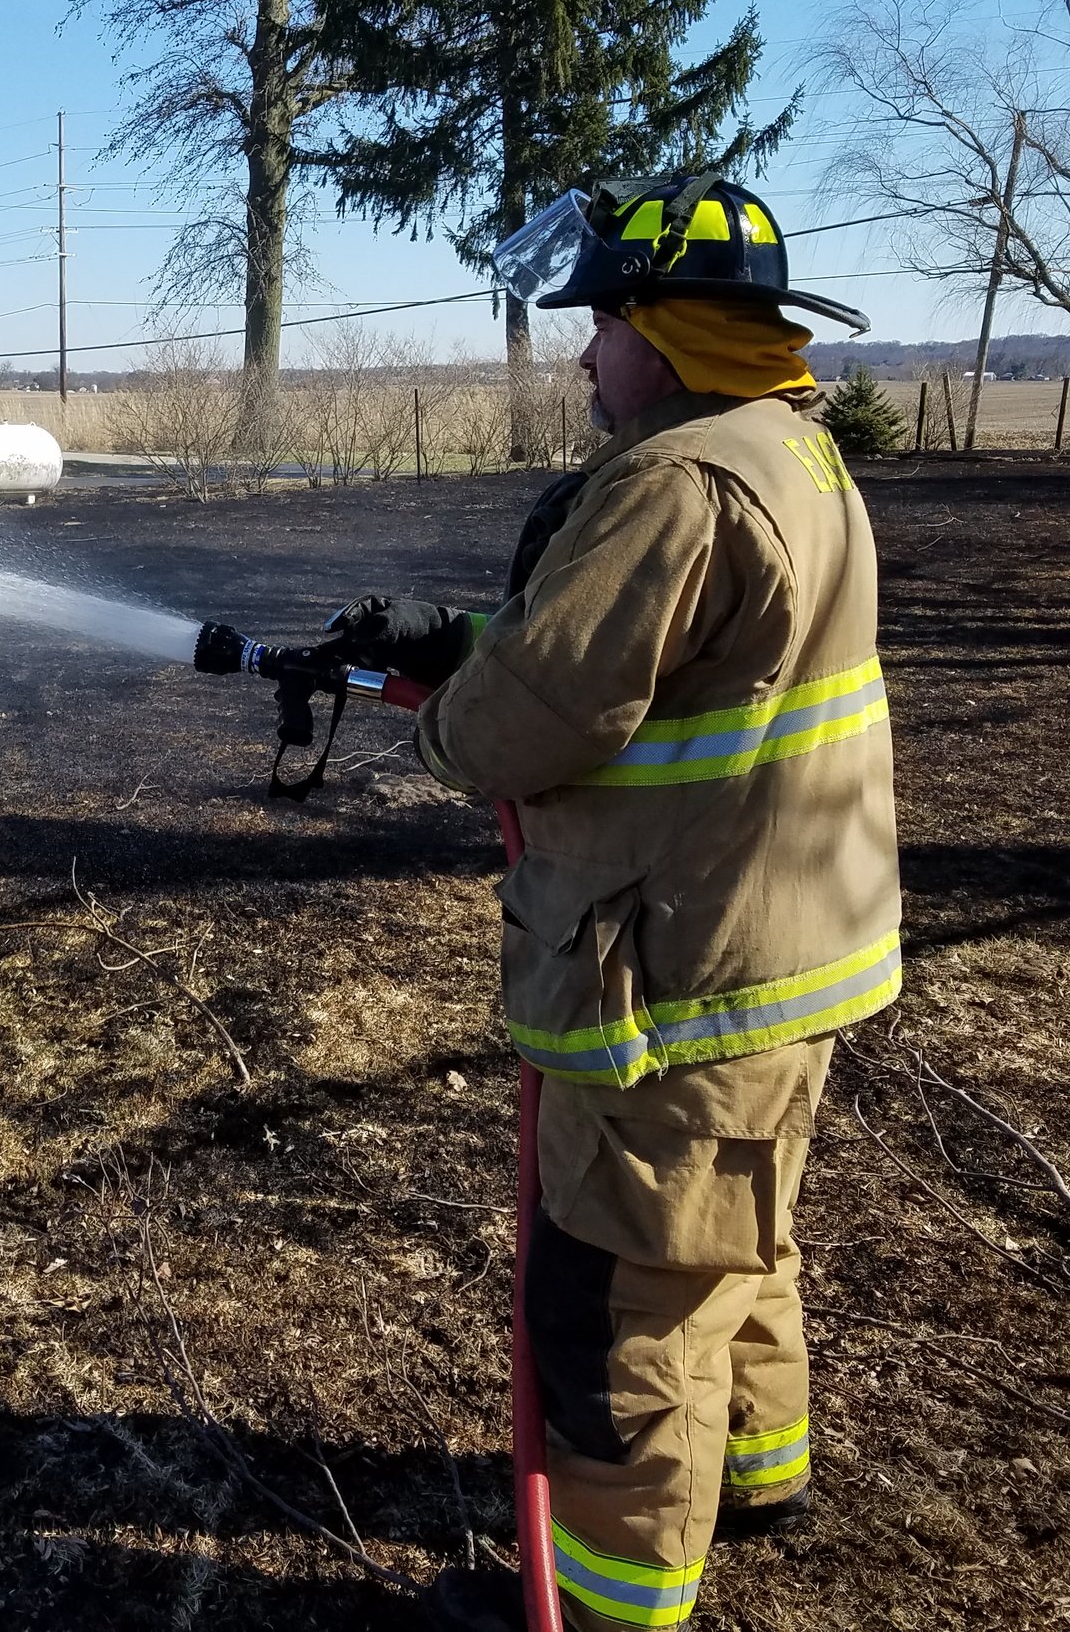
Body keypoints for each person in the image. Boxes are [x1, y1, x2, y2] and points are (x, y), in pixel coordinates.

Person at [331, 175, 901, 1632]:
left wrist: (449, 712)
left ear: (667, 332)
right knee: (733, 1241)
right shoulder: (793, 454)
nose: (586, 354)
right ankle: (762, 1480)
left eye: (604, 325)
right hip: (786, 953)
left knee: (618, 1311)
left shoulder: (670, 483)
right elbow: (668, 663)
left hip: (677, 985)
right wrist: (459, 632)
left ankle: (600, 1608)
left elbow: (526, 724)